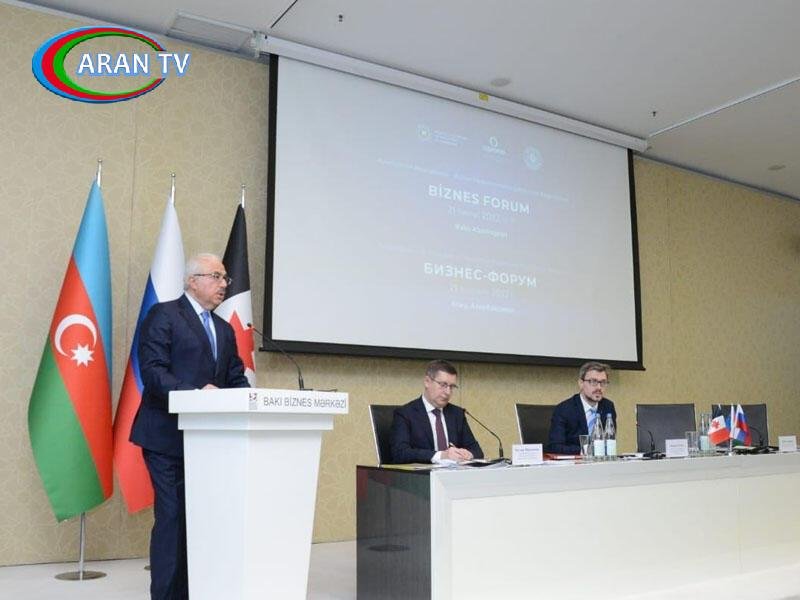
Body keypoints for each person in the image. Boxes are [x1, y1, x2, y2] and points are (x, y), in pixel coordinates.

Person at [131, 253, 250, 600]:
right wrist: (196, 394)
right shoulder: (164, 315)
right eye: (216, 276)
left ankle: (194, 589)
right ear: (192, 281)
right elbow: (153, 372)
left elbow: (234, 378)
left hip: (209, 442)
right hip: (165, 437)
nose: (223, 284)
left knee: (200, 518)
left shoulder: (224, 329)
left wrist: (251, 400)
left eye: (225, 278)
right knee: (172, 516)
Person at [390, 359, 483, 463]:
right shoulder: (405, 414)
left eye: (452, 387)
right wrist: (441, 456)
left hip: (454, 472)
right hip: (424, 472)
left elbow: (477, 451)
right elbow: (400, 453)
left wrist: (469, 454)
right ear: (427, 382)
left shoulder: (457, 414)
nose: (448, 392)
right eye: (443, 385)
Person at [547, 361, 617, 454]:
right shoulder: (564, 409)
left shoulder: (608, 406)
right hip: (575, 461)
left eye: (603, 382)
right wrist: (586, 451)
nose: (599, 387)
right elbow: (554, 446)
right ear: (581, 383)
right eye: (593, 382)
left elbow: (609, 441)